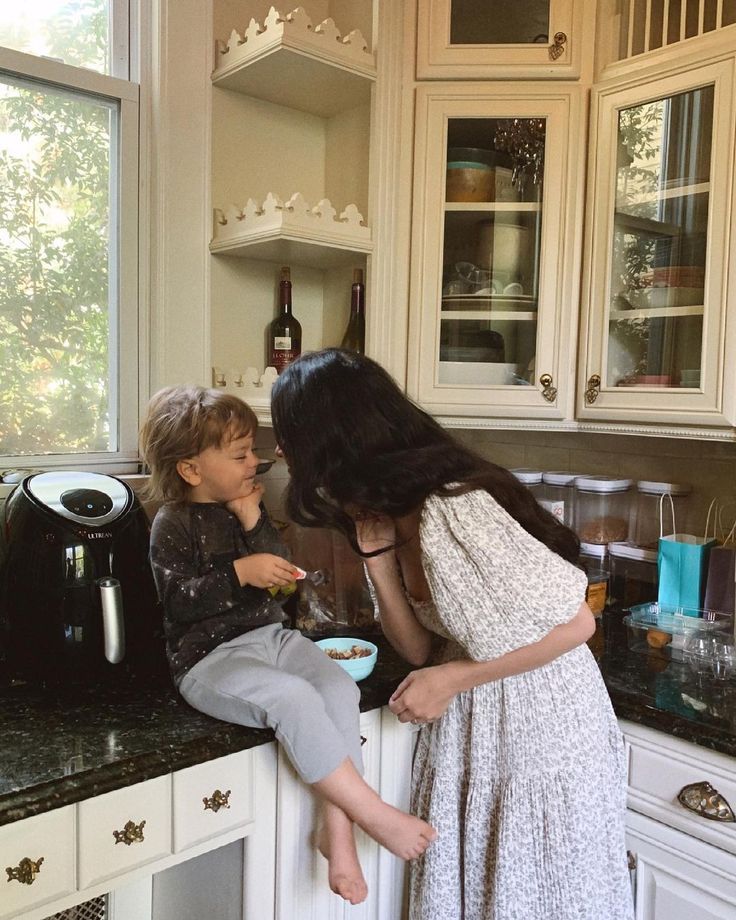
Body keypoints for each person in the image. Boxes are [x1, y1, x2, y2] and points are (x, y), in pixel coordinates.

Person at [271, 349, 634, 920]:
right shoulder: (390, 511)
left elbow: (578, 622)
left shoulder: (456, 506)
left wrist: (459, 677)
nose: (280, 451)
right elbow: (420, 649)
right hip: (477, 727)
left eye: (289, 435)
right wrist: (379, 559)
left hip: (543, 728)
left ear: (330, 440)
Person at [139, 384, 436, 906]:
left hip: (274, 639)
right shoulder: (172, 524)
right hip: (210, 660)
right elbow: (179, 602)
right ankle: (370, 813)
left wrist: (254, 522)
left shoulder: (243, 508)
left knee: (337, 688)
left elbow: (284, 583)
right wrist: (238, 572)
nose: (255, 461)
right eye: (240, 454)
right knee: (294, 700)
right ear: (191, 470)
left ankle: (334, 830)